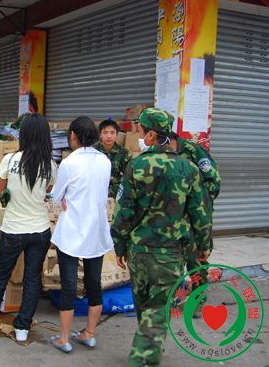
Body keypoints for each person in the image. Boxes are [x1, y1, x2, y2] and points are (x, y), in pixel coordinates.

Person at [112, 108, 211, 366]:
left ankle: (146, 353)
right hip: (169, 254)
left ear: (152, 135)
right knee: (157, 310)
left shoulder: (136, 166)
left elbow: (123, 212)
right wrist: (204, 245)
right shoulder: (188, 168)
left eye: (141, 132)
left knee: (146, 307)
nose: (139, 136)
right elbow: (200, 213)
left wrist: (119, 245)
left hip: (138, 252)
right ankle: (145, 356)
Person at [0, 114, 56, 342]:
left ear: (24, 135)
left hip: (13, 230)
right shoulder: (51, 165)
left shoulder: (10, 159)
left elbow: (2, 192)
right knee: (32, 279)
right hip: (40, 231)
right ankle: (22, 328)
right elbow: (47, 191)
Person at [49, 116, 112, 353]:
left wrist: (64, 196)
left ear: (73, 135)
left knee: (69, 285)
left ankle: (64, 338)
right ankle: (89, 334)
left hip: (72, 231)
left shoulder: (69, 162)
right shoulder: (105, 160)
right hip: (96, 230)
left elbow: (56, 195)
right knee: (94, 283)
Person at [169, 132, 221, 318]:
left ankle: (198, 300)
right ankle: (177, 297)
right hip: (173, 218)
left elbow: (213, 181)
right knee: (172, 260)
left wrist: (199, 205)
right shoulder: (161, 154)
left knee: (196, 260)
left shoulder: (194, 150)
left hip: (195, 218)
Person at [95, 119, 131, 198]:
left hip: (117, 194)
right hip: (96, 192)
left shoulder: (124, 153)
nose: (109, 136)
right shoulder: (93, 152)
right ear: (100, 134)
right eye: (105, 133)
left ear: (116, 135)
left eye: (112, 133)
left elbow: (127, 177)